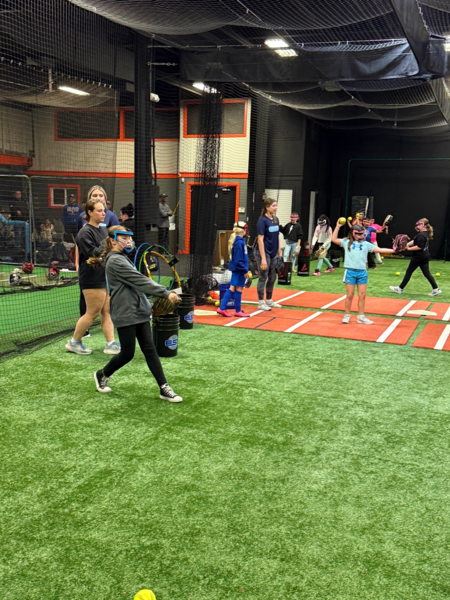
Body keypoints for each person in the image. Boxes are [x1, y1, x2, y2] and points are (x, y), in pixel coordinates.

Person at [87, 225, 183, 403]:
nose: (128, 241)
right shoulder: (115, 261)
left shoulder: (122, 257)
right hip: (125, 312)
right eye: (123, 237)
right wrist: (165, 293)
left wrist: (147, 305)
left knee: (149, 349)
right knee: (127, 353)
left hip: (139, 310)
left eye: (129, 237)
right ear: (112, 241)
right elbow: (139, 280)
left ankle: (164, 387)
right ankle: (102, 374)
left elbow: (135, 286)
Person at [65, 197, 120, 355]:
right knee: (93, 312)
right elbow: (94, 253)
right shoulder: (84, 233)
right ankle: (74, 342)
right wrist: (110, 244)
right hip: (91, 277)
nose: (103, 213)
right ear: (89, 212)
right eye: (99, 211)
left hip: (103, 275)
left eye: (104, 211)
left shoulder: (103, 229)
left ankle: (110, 343)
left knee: (106, 310)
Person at [332, 221, 395, 324]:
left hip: (362, 273)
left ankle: (361, 316)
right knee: (349, 295)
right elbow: (334, 239)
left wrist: (394, 250)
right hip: (350, 272)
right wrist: (337, 227)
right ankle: (347, 315)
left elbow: (379, 249)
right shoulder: (346, 242)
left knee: (362, 295)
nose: (362, 236)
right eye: (360, 234)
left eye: (363, 234)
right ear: (354, 234)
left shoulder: (366, 244)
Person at [389, 218, 441, 297]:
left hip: (419, 257)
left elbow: (419, 247)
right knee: (426, 273)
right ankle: (436, 289)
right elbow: (414, 241)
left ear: (424, 225)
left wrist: (408, 249)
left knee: (409, 272)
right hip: (424, 255)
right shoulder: (424, 233)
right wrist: (406, 245)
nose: (417, 226)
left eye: (419, 225)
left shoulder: (421, 235)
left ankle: (400, 288)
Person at [217, 221, 252, 318]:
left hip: (238, 268)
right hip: (240, 269)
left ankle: (223, 308)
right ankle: (237, 310)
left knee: (233, 287)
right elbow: (238, 260)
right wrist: (245, 270)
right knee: (239, 288)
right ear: (243, 230)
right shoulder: (239, 242)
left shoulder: (237, 240)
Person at [256, 198, 283, 311]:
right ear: (267, 207)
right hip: (263, 252)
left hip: (273, 253)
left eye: (276, 205)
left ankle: (269, 300)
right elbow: (260, 240)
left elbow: (277, 237)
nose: (275, 208)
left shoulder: (276, 220)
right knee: (263, 276)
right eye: (273, 206)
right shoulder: (262, 221)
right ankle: (261, 302)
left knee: (272, 277)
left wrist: (279, 252)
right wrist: (263, 258)